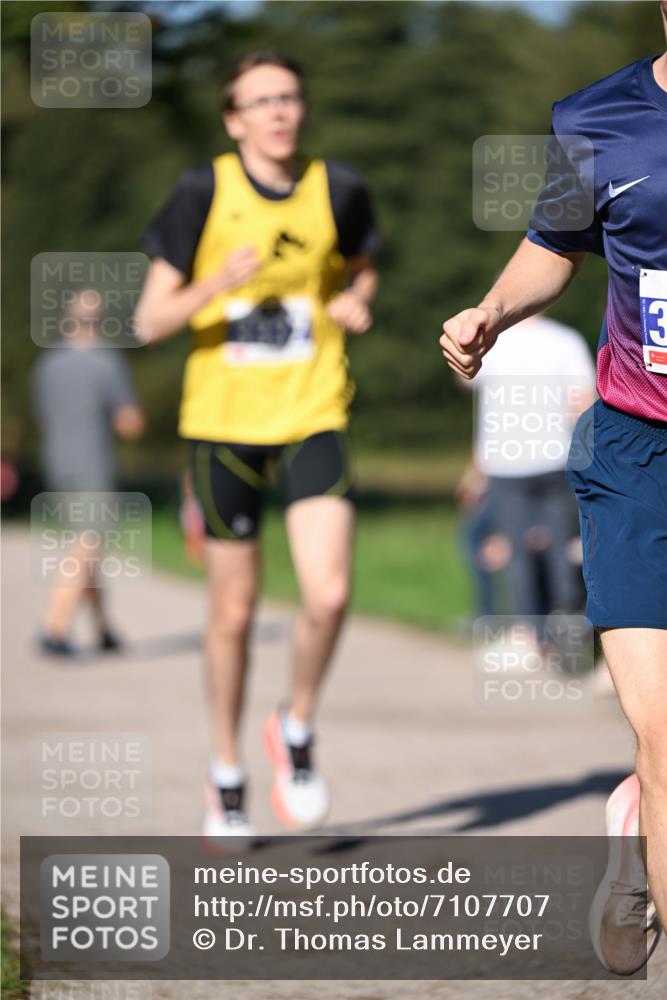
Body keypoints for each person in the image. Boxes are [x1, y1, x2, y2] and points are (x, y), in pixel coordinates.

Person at [440, 10, 666, 975]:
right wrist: (491, 308)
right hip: (636, 455)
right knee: (665, 731)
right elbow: (553, 243)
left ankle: (636, 833)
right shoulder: (597, 116)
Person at [134, 52, 379, 837]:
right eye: (261, 100)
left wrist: (353, 300)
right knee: (233, 615)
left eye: (289, 97)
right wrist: (216, 285)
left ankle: (295, 725)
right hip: (223, 428)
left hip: (313, 411)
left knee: (329, 593)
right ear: (233, 119)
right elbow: (149, 321)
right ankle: (226, 774)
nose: (279, 111)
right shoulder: (201, 192)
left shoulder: (336, 188)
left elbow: (362, 266)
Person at [33, 289, 145, 656]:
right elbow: (128, 422)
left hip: (57, 466)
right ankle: (55, 627)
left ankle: (104, 629)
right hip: (92, 466)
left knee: (87, 551)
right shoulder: (106, 361)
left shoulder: (47, 364)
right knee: (85, 547)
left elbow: (43, 415)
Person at [464, 312, 595, 623]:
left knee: (518, 553)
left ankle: (532, 634)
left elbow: (467, 381)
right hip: (557, 460)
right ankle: (569, 626)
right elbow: (584, 403)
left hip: (505, 465)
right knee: (562, 548)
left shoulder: (491, 344)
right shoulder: (567, 339)